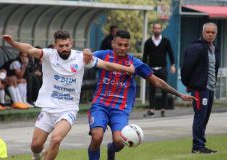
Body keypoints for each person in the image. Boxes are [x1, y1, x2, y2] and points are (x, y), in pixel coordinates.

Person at [2, 30, 135, 160]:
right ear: (55, 45)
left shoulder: (81, 57)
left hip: (68, 108)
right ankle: (38, 154)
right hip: (49, 107)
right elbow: (30, 49)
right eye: (61, 46)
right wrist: (13, 43)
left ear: (71, 43)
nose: (64, 48)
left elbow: (106, 65)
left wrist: (127, 69)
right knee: (35, 145)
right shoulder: (48, 55)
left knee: (56, 139)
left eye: (67, 45)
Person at [87, 30, 196, 160]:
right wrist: (87, 51)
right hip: (100, 104)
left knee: (119, 142)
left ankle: (111, 149)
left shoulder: (135, 63)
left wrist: (180, 94)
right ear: (112, 43)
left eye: (126, 45)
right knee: (97, 136)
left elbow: (157, 82)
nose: (123, 48)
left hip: (120, 108)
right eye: (119, 44)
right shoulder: (102, 55)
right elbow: (85, 58)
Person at [181, 22, 219, 154]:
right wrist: (189, 85)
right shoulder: (196, 48)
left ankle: (200, 144)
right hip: (199, 88)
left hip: (210, 88)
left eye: (212, 32)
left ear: (216, 34)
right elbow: (186, 69)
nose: (210, 34)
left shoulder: (213, 48)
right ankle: (197, 146)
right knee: (200, 116)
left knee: (205, 117)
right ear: (203, 33)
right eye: (207, 32)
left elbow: (214, 68)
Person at [142, 23, 176, 117]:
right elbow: (145, 57)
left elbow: (171, 53)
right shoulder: (148, 42)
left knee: (164, 88)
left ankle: (163, 109)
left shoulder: (166, 41)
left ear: (161, 30)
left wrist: (173, 65)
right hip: (151, 69)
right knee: (152, 89)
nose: (157, 30)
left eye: (158, 28)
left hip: (163, 68)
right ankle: (152, 109)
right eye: (155, 28)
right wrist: (143, 69)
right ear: (153, 29)